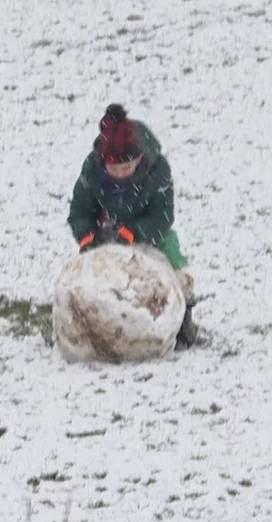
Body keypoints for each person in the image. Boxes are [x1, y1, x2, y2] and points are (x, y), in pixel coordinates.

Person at [67, 103, 199, 348]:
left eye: (126, 168)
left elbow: (163, 215)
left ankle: (183, 320)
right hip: (105, 233)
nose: (120, 174)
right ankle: (80, 323)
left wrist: (135, 232)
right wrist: (88, 236)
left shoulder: (157, 171)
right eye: (114, 169)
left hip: (148, 233)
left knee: (174, 262)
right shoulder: (92, 172)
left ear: (139, 160)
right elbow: (80, 211)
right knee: (83, 277)